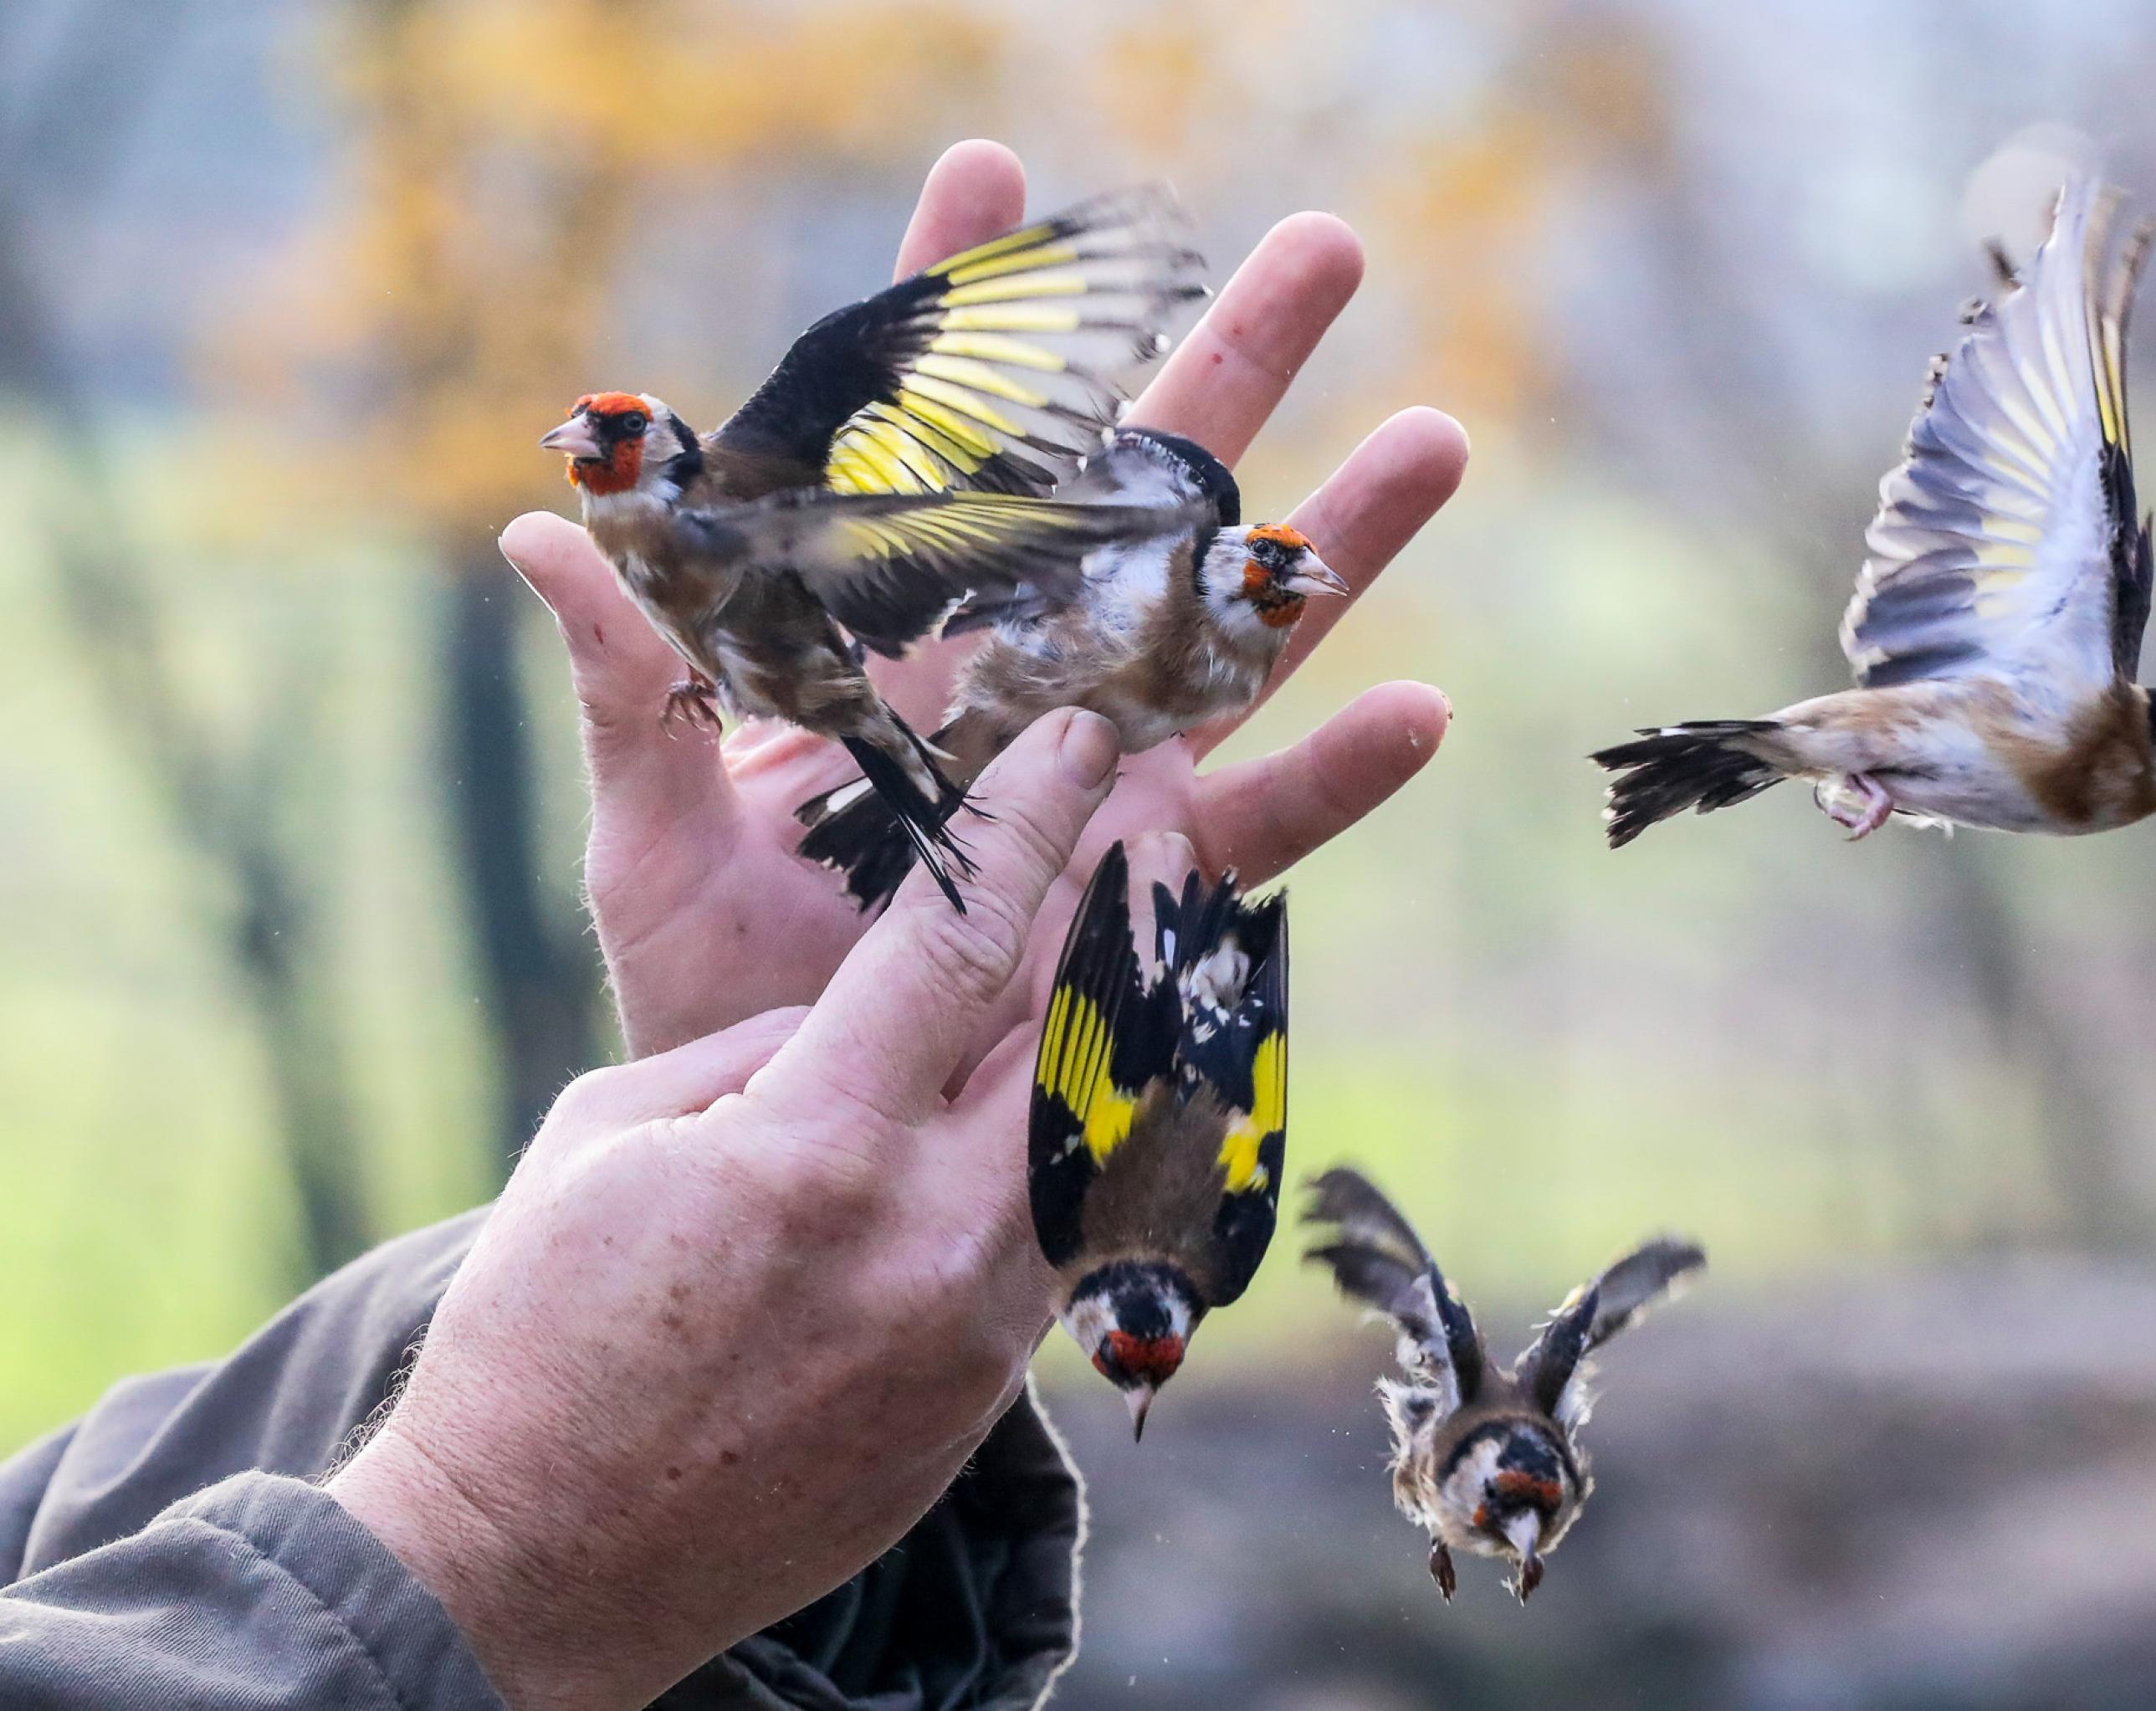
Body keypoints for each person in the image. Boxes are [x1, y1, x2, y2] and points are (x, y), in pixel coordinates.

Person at [0, 142, 1467, 1710]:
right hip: (876, 730)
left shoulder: (768, 482)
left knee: (862, 402)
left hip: (864, 700)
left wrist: (724, 1242)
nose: (583, 446)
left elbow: (133, 1545)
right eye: (590, 436)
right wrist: (497, 1538)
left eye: (613, 434)